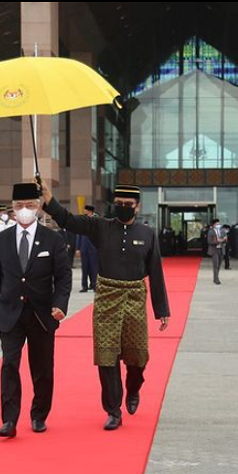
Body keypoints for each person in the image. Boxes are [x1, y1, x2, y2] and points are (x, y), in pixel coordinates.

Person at [42, 182, 170, 431]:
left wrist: (162, 310)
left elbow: (155, 272)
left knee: (137, 357)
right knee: (106, 357)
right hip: (106, 300)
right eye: (119, 204)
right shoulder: (100, 227)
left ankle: (133, 387)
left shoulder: (147, 234)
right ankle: (113, 410)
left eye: (128, 205)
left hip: (134, 298)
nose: (123, 208)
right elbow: (68, 220)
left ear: (138, 206)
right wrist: (49, 199)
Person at [0, 183, 71, 438]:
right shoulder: (1, 239)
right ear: (12, 209)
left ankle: (39, 414)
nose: (25, 210)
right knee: (9, 365)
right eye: (20, 206)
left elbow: (63, 277)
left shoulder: (53, 239)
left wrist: (60, 304)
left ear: (39, 208)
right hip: (9, 312)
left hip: (42, 314)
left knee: (42, 367)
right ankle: (9, 421)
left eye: (30, 206)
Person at [77, 205, 99, 292]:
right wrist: (78, 248)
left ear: (90, 212)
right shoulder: (82, 221)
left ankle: (94, 285)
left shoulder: (96, 221)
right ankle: (84, 286)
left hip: (93, 249)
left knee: (94, 268)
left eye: (85, 212)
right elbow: (78, 235)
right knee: (84, 268)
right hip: (84, 248)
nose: (84, 213)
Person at [207, 219, 227, 285]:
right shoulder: (211, 232)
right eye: (217, 224)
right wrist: (218, 241)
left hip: (221, 249)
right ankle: (216, 279)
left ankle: (216, 277)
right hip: (214, 250)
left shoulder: (222, 231)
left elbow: (225, 239)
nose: (218, 225)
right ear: (213, 225)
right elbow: (209, 241)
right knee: (216, 265)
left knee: (219, 265)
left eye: (219, 224)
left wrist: (223, 240)